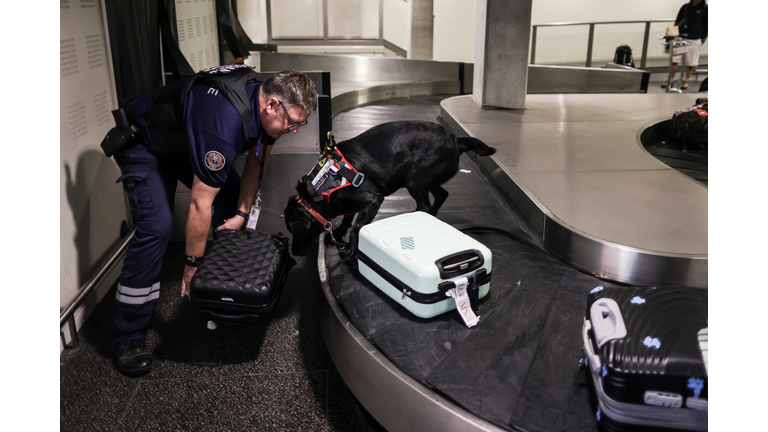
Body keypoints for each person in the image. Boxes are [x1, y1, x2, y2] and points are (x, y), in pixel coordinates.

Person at [110, 68, 317, 376]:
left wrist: (241, 215)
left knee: (232, 200)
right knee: (157, 228)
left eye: (300, 125)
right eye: (292, 123)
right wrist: (192, 266)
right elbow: (199, 203)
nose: (294, 130)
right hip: (147, 142)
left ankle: (224, 300)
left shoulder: (266, 97)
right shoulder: (224, 124)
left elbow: (257, 162)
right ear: (272, 105)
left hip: (186, 139)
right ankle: (128, 335)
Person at [662, 0, 707, 90]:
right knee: (675, 60)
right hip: (680, 37)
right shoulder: (686, 7)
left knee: (691, 62)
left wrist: (703, 38)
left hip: (695, 38)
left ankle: (685, 80)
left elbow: (706, 25)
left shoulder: (705, 9)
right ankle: (670, 79)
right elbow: (678, 21)